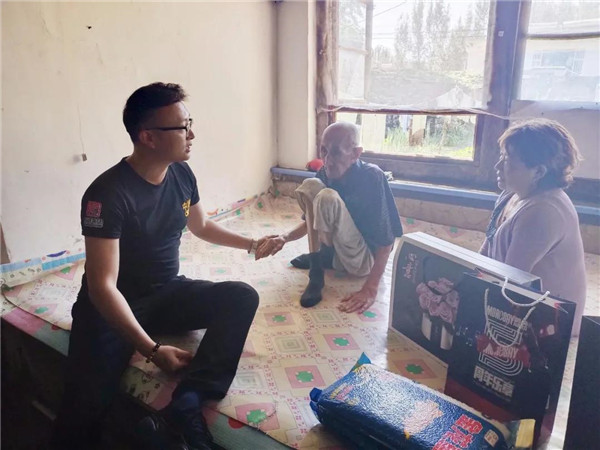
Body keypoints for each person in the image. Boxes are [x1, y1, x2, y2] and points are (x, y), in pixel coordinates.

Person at [51, 82, 268, 450]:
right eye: (183, 127)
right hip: (112, 308)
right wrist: (152, 351)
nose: (192, 135)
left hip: (166, 292)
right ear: (148, 137)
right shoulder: (107, 194)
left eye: (190, 124)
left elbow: (201, 226)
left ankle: (187, 403)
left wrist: (252, 244)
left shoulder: (181, 173)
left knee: (241, 297)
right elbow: (103, 287)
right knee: (82, 413)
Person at [256, 122, 403, 312]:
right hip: (339, 251)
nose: (327, 159)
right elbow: (311, 221)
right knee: (311, 185)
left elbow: (387, 242)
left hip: (363, 260)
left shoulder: (372, 177)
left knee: (327, 196)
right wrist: (284, 237)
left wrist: (370, 288)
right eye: (324, 151)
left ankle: (325, 258)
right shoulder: (324, 172)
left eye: (336, 152)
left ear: (355, 154)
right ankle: (317, 269)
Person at [480, 118, 586, 335]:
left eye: (507, 161)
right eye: (501, 157)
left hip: (549, 327)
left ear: (538, 172)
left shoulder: (544, 212)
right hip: (517, 302)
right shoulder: (511, 194)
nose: (497, 166)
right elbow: (485, 251)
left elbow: (510, 281)